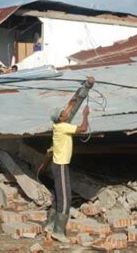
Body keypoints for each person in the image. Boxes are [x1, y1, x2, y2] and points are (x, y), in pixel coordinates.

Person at [45, 104, 90, 243]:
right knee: (65, 199)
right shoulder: (64, 127)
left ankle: (50, 225)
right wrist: (85, 115)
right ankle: (58, 232)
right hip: (61, 165)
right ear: (60, 117)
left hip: (56, 164)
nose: (66, 113)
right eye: (64, 113)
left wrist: (77, 99)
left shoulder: (57, 126)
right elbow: (83, 128)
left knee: (58, 196)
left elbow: (69, 110)